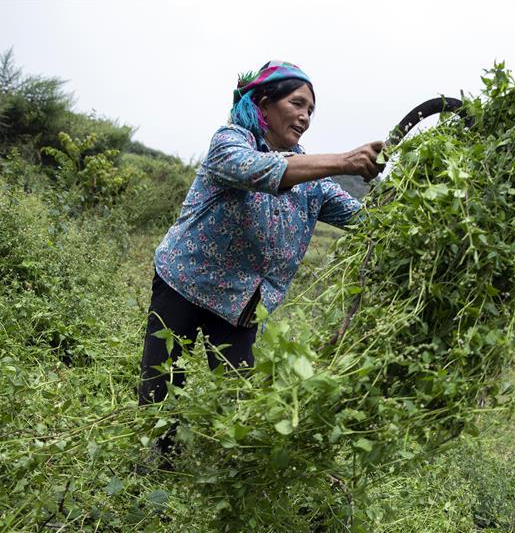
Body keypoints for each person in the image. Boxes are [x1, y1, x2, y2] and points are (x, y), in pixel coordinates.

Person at [138, 60, 383, 407]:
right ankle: (152, 460)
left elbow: (366, 218)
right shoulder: (231, 141)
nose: (305, 117)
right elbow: (259, 170)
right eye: (297, 104)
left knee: (238, 407)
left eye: (311, 110)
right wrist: (345, 161)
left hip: (243, 305)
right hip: (187, 284)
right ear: (265, 103)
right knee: (159, 393)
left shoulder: (312, 182)